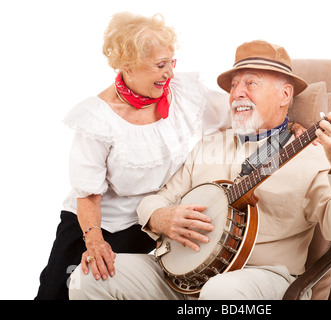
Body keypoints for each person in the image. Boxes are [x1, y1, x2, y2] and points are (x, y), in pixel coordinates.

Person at [69, 39, 331, 300]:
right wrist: (162, 217)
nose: (237, 92)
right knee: (87, 277)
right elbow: (155, 200)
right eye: (234, 85)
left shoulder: (316, 154)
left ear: (285, 95)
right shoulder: (209, 144)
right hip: (183, 276)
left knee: (221, 293)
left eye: (251, 83)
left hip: (264, 279)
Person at [35, 12, 232, 300]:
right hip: (96, 220)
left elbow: (237, 114)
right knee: (59, 289)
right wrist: (95, 241)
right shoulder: (97, 118)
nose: (170, 74)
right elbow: (88, 195)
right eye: (160, 65)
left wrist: (287, 125)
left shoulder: (183, 94)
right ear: (128, 66)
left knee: (111, 287)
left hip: (152, 215)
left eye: (172, 62)